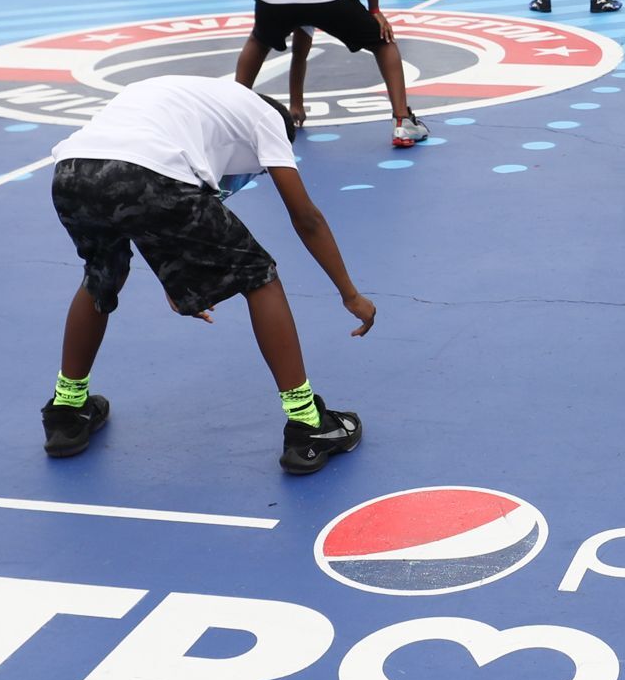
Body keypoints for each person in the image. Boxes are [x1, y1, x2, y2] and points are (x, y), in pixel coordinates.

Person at [41, 71, 375, 471]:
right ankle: (307, 422)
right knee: (259, 275)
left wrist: (176, 274)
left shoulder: (193, 99)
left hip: (71, 172)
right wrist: (349, 293)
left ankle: (67, 409)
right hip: (147, 172)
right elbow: (306, 218)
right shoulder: (267, 119)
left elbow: (138, 187)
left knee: (101, 275)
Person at [232, 0, 430, 148]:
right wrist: (375, 10)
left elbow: (300, 53)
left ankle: (231, 114)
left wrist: (296, 104)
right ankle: (402, 121)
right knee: (383, 41)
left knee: (258, 41)